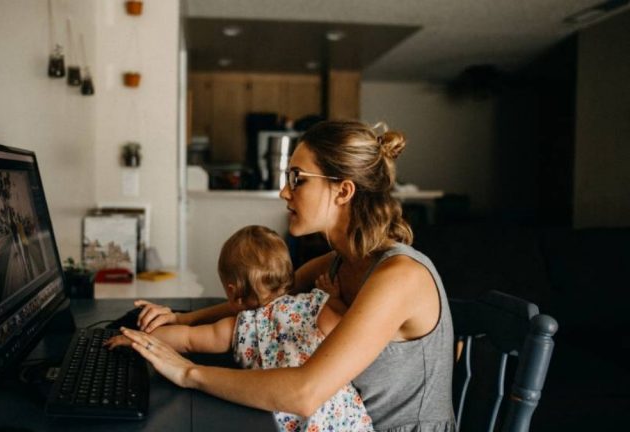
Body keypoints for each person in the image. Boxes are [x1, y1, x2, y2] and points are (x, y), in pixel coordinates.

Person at [120, 120, 456, 431]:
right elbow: (266, 300)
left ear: (343, 191)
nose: (284, 191)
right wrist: (181, 319)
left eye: (297, 178)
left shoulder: (399, 277)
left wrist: (187, 373)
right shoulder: (337, 263)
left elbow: (305, 392)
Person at [106, 225, 373, 431]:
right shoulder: (316, 304)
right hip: (344, 419)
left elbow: (186, 339)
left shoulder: (241, 326)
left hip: (286, 420)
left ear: (233, 292)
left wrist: (138, 338)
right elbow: (341, 325)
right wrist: (333, 298)